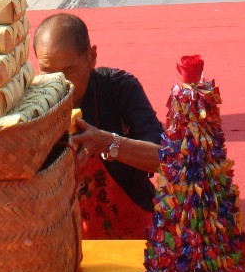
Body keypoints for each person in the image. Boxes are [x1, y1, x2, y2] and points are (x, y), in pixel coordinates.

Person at [34, 13, 161, 240]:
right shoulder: (33, 107)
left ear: (91, 57)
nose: (60, 84)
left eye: (68, 71)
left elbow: (165, 158)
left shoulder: (118, 88)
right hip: (68, 237)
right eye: (48, 72)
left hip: (135, 233)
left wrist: (109, 142)